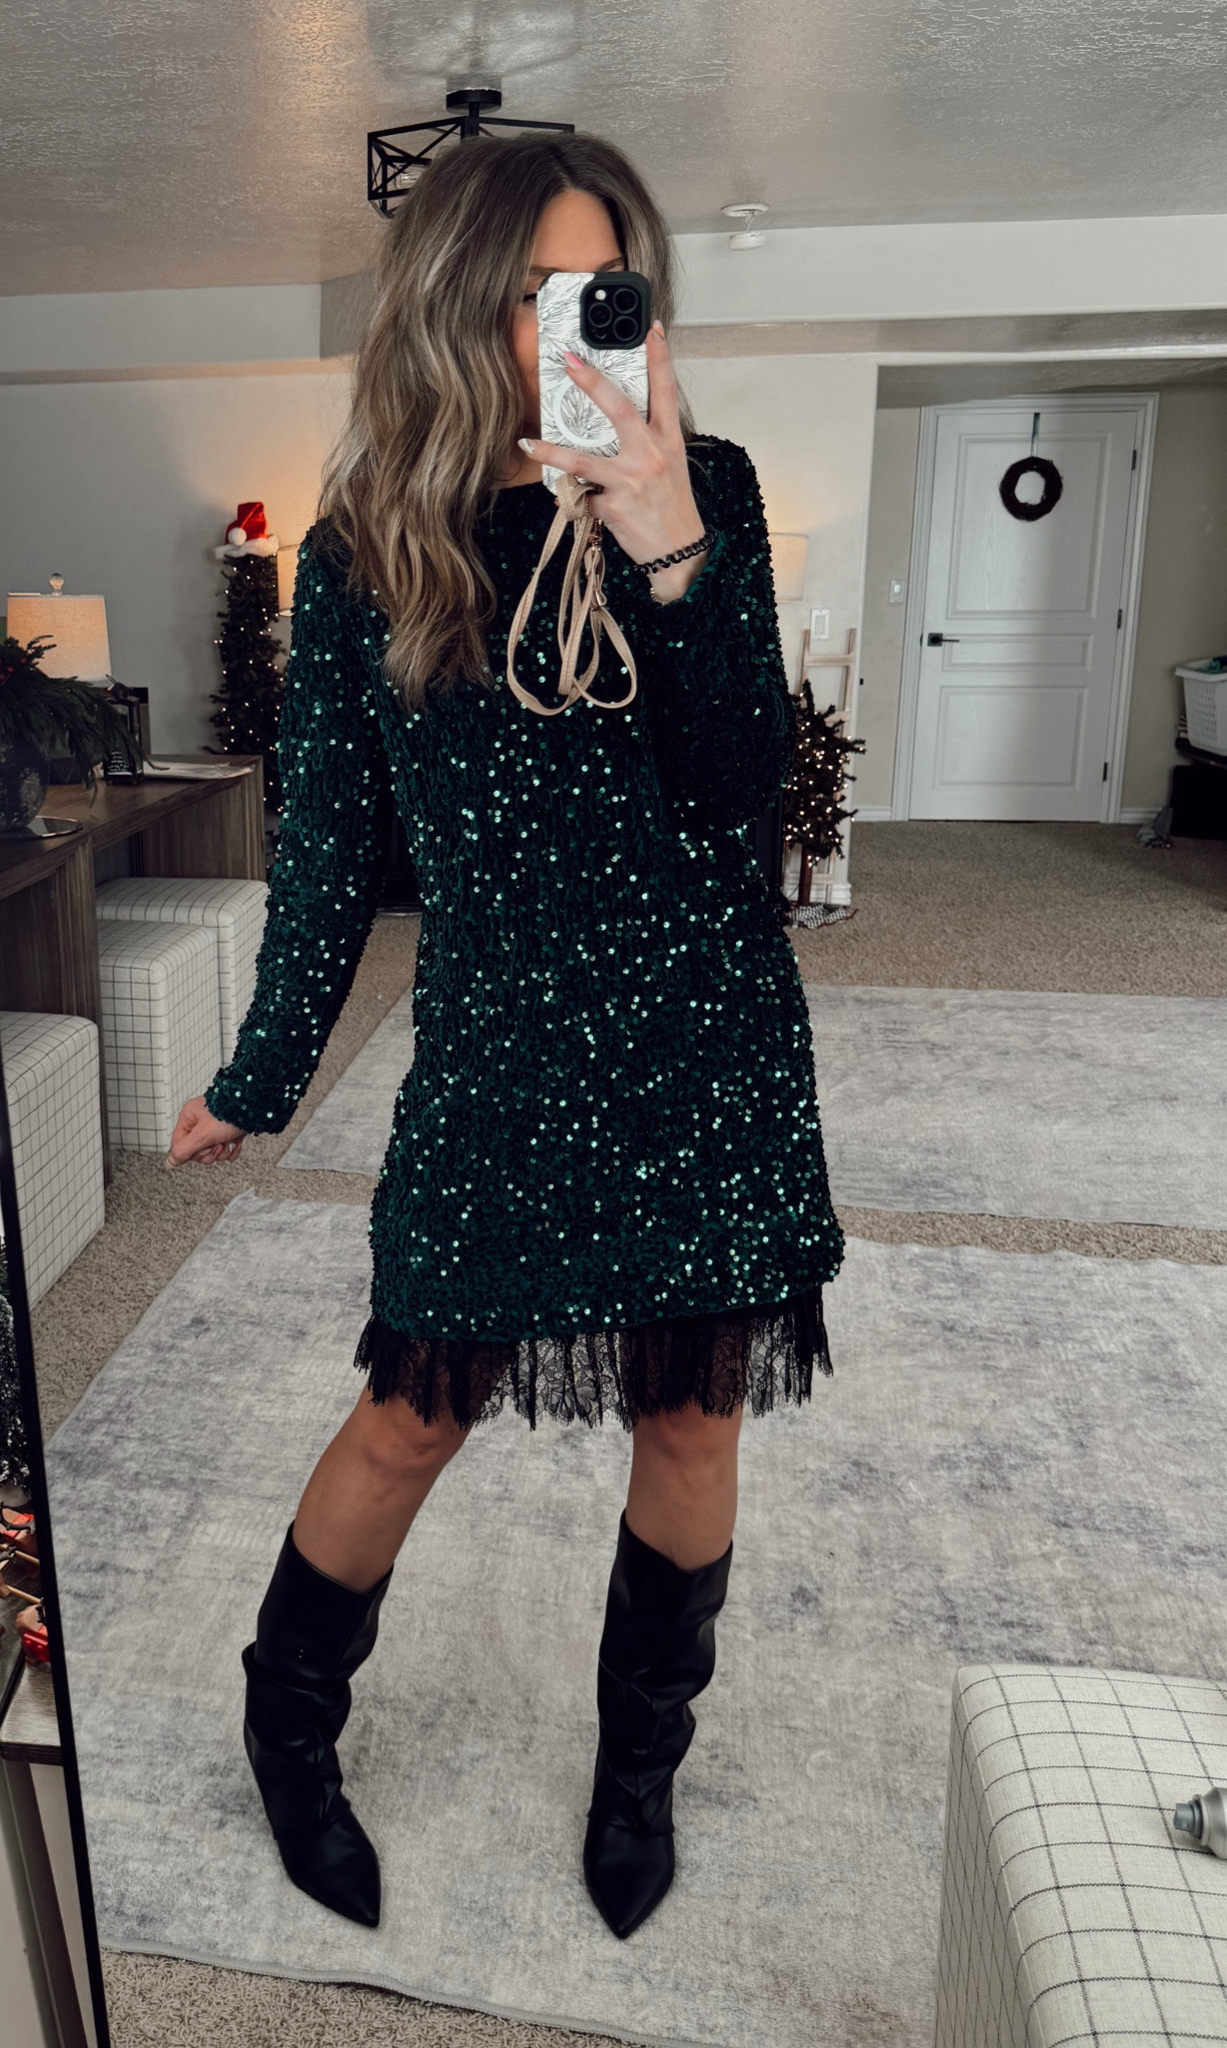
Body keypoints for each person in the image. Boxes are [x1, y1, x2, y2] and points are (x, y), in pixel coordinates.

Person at [167, 132, 844, 1940]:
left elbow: (743, 793)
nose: (571, 322)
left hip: (706, 1062)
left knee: (692, 1427)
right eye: (536, 289)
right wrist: (258, 1075)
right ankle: (288, 1740)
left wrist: (672, 546)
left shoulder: (705, 485)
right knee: (409, 1418)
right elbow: (327, 855)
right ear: (459, 301)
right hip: (500, 1066)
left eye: (602, 289)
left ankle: (640, 1784)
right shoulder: (364, 554)